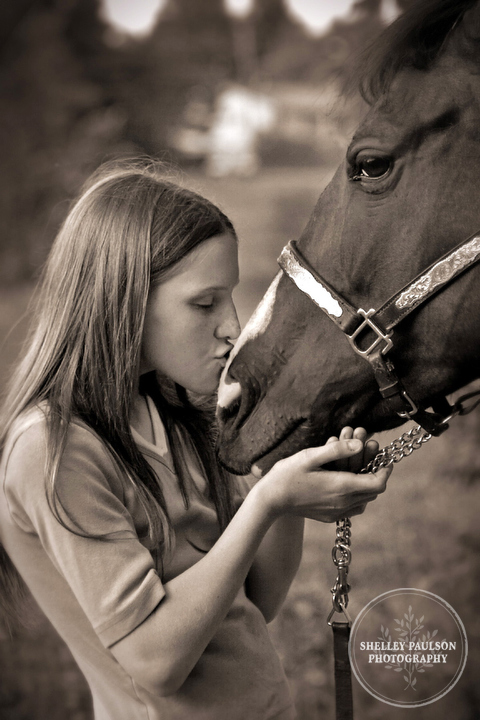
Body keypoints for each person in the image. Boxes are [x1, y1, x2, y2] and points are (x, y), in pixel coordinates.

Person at [0, 159, 391, 720]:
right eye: (204, 303)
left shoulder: (171, 414)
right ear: (122, 299)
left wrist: (282, 463)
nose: (232, 326)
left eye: (228, 297)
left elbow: (256, 600)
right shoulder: (53, 451)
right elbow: (156, 661)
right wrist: (269, 500)